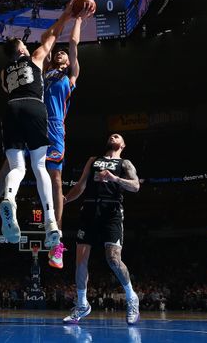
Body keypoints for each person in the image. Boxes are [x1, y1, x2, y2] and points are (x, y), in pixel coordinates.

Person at [0, 5, 94, 269]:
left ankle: (57, 242)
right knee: (12, 167)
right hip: (35, 116)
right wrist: (63, 16)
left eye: (64, 54)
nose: (61, 54)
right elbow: (48, 41)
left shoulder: (70, 75)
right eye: (58, 52)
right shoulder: (41, 66)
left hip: (53, 126)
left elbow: (72, 42)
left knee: (53, 178)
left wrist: (77, 19)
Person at [0, 0, 87, 249]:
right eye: (25, 44)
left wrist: (74, 19)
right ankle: (50, 223)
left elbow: (5, 87)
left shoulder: (5, 70)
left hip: (14, 111)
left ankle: (9, 199)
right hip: (36, 111)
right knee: (39, 169)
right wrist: (68, 15)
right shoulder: (37, 59)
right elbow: (51, 36)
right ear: (23, 51)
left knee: (17, 167)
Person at [61, 134, 141, 325]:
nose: (114, 136)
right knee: (80, 261)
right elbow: (80, 186)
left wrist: (114, 178)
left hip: (111, 211)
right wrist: (64, 200)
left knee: (113, 259)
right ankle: (82, 304)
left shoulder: (125, 163)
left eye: (118, 136)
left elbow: (136, 186)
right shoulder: (93, 160)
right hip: (89, 210)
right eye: (111, 135)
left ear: (123, 144)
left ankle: (131, 297)